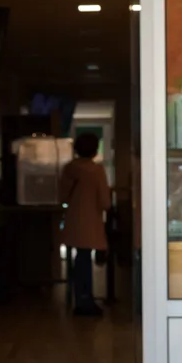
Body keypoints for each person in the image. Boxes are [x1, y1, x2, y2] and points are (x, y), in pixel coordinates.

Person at [60, 133, 112, 316]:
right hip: (91, 220)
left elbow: (62, 195)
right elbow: (105, 202)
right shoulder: (96, 171)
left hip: (73, 219)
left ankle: (78, 297)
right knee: (85, 258)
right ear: (94, 150)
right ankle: (85, 300)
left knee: (78, 259)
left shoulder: (69, 169)